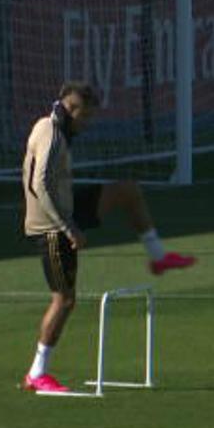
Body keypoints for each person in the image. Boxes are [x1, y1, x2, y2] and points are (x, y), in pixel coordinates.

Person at [21, 81, 195, 393]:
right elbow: (41, 185)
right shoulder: (51, 135)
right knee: (65, 300)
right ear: (72, 110)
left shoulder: (57, 128)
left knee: (127, 191)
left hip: (67, 206)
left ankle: (158, 258)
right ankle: (37, 373)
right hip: (51, 225)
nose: (88, 123)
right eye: (86, 116)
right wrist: (68, 227)